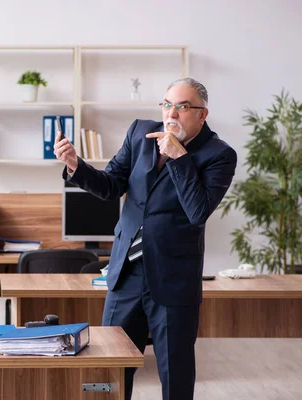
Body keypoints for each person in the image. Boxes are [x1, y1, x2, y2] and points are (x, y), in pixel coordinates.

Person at [54, 78, 237, 400]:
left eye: (182, 107)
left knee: (175, 370)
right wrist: (74, 165)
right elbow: (111, 186)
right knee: (110, 366)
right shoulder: (140, 133)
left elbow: (197, 211)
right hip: (126, 272)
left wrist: (180, 158)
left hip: (173, 279)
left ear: (202, 114)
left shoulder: (219, 155)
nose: (172, 114)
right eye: (167, 104)